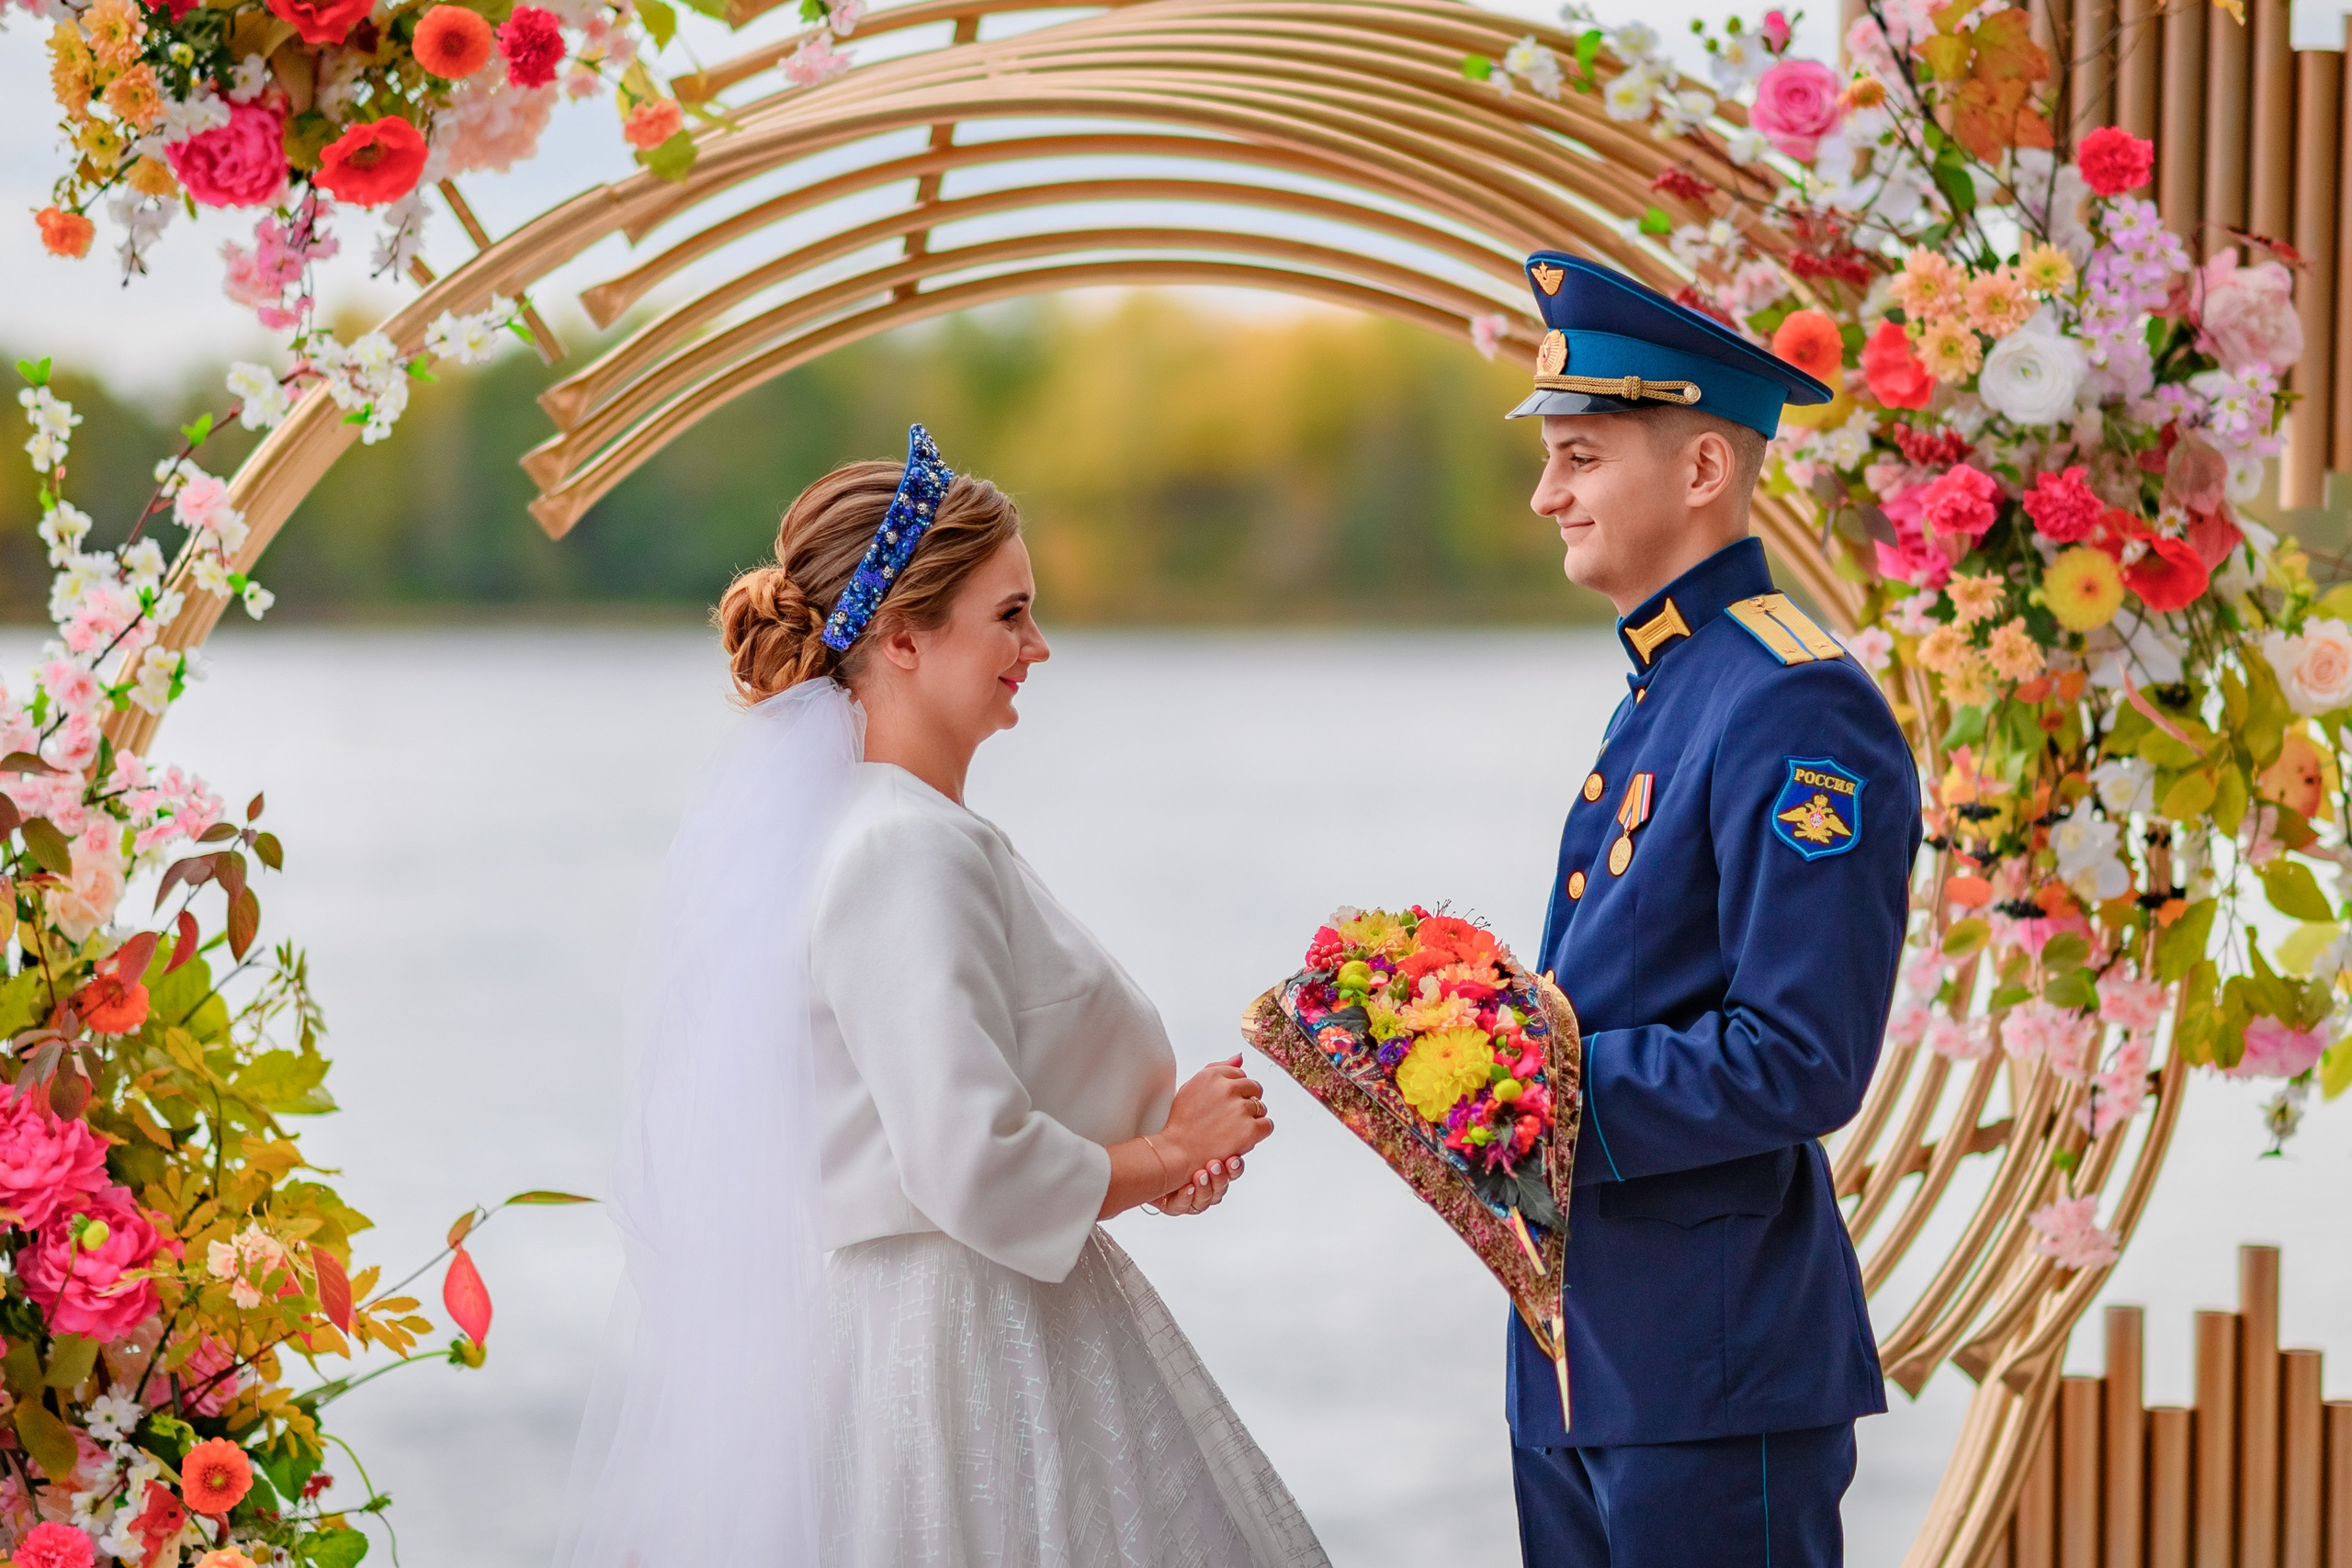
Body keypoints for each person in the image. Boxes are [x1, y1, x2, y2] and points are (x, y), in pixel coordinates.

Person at [554, 427, 1330, 1568]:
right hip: (967, 1352)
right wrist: (1168, 1152)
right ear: (903, 637)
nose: (1038, 647)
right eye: (1010, 614)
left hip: (964, 1314)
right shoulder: (901, 848)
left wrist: (1154, 1160)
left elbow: (952, 1121)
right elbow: (969, 1161)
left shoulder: (891, 832)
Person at [1498, 254, 1922, 1566]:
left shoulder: (1794, 698)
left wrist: (1527, 1092)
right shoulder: (1673, 682)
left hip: (1711, 1366)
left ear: (1700, 469)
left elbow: (1801, 1054)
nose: (1546, 494)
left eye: (1578, 456)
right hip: (1582, 1359)